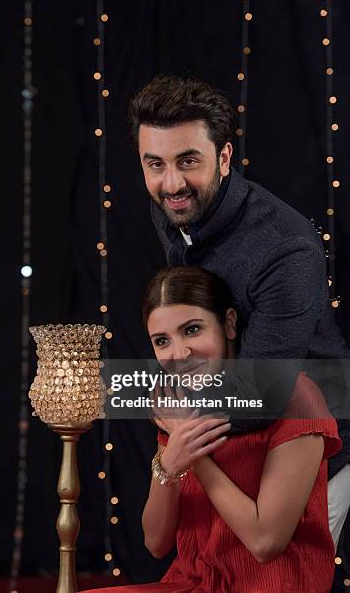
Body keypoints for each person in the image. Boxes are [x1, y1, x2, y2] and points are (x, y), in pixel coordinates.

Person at [127, 74, 350, 548]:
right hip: (232, 434)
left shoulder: (286, 248)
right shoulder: (172, 205)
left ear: (225, 157)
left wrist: (173, 412)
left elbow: (265, 391)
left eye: (189, 161)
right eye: (155, 164)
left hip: (312, 442)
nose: (171, 183)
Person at [80, 266, 342, 592]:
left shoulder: (296, 396)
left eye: (192, 330)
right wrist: (167, 466)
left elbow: (265, 542)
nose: (179, 354)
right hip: (193, 583)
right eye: (162, 341)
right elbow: (156, 543)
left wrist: (193, 454)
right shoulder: (179, 401)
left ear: (228, 324)